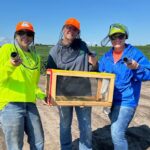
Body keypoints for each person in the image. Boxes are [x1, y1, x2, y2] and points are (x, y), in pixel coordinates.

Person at [46, 18, 97, 150]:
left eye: (74, 29)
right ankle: (66, 147)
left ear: (77, 32)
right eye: (69, 27)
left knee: (86, 126)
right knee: (64, 125)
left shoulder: (83, 46)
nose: (71, 31)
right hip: (63, 95)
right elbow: (49, 75)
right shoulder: (54, 51)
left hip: (83, 94)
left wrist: (95, 63)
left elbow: (93, 69)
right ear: (63, 29)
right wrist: (49, 95)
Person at [98, 23, 150, 150]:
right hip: (110, 101)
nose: (117, 40)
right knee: (116, 127)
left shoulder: (134, 53)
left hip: (127, 101)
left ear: (125, 37)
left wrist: (137, 68)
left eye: (120, 36)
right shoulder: (106, 57)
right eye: (113, 37)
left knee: (116, 133)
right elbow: (99, 74)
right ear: (110, 39)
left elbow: (148, 74)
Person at [0, 21, 45, 150]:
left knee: (39, 142)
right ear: (16, 34)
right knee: (15, 146)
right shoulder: (7, 49)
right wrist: (11, 66)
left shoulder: (36, 58)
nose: (26, 36)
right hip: (10, 104)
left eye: (29, 34)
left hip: (30, 104)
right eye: (21, 33)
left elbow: (33, 85)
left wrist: (43, 95)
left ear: (33, 37)